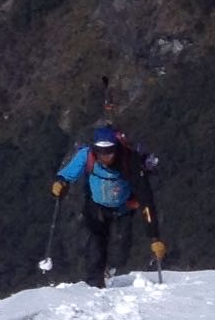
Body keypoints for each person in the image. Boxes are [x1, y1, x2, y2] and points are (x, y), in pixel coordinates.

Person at [52, 121, 165, 289]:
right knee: (96, 247)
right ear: (95, 150)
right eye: (101, 152)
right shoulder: (87, 155)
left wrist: (154, 236)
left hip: (123, 208)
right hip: (96, 208)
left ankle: (109, 271)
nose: (106, 156)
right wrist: (61, 183)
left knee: (122, 250)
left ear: (116, 148)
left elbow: (145, 199)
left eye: (110, 151)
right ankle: (94, 286)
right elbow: (69, 173)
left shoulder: (130, 160)